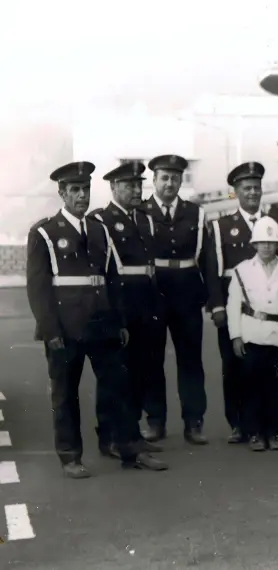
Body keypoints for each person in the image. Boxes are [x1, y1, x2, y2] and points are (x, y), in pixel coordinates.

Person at [26, 161, 166, 478]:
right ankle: (70, 455)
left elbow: (112, 278)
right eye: (75, 190)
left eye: (85, 189)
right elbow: (38, 287)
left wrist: (119, 322)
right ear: (62, 193)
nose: (81, 195)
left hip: (102, 323)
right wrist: (50, 331)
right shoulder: (45, 232)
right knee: (65, 393)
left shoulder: (99, 229)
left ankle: (130, 447)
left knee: (119, 386)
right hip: (66, 326)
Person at [89, 160, 167, 466]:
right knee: (115, 375)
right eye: (128, 185)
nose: (136, 190)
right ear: (113, 187)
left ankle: (130, 436)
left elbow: (150, 268)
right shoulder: (101, 220)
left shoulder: (145, 219)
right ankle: (108, 436)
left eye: (138, 185)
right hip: (120, 302)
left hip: (146, 304)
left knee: (139, 371)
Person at [205, 161, 278, 444]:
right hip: (233, 308)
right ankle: (237, 423)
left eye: (256, 188)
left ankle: (261, 422)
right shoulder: (222, 226)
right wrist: (218, 307)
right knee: (233, 365)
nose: (252, 193)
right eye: (246, 188)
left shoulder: (272, 225)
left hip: (265, 310)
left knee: (262, 366)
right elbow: (213, 270)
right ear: (235, 192)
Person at [140, 154, 209, 445]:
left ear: (181, 181)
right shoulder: (140, 212)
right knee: (152, 360)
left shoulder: (196, 213)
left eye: (175, 178)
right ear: (154, 181)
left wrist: (211, 299)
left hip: (187, 294)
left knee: (191, 361)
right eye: (164, 177)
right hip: (154, 294)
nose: (170, 183)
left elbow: (207, 258)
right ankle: (155, 421)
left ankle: (193, 422)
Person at [226, 216, 278, 452]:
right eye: (262, 242)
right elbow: (233, 305)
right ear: (254, 244)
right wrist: (236, 336)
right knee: (250, 385)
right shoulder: (242, 270)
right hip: (251, 334)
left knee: (275, 387)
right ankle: (254, 432)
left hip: (277, 335)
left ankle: (273, 432)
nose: (267, 246)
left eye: (272, 242)